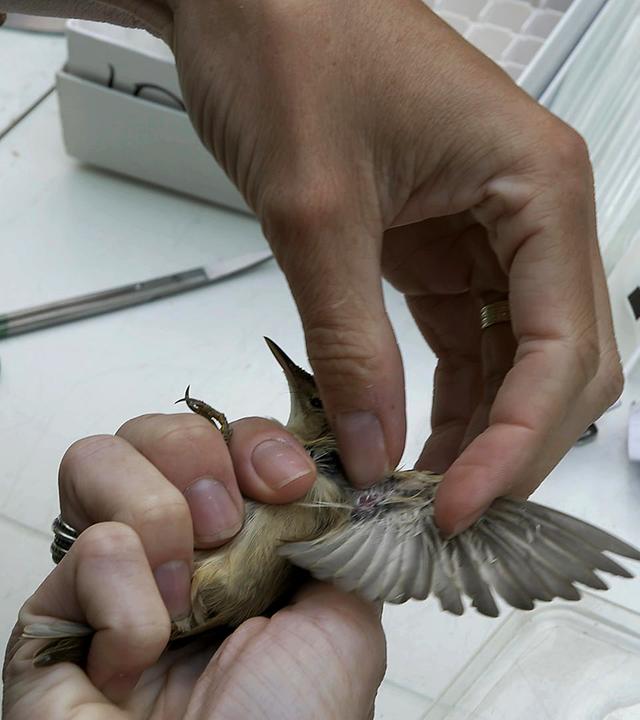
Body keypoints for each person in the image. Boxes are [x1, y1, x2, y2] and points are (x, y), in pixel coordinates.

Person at [2, 0, 623, 716]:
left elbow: (466, 524)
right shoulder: (340, 496)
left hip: (182, 623)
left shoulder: (370, 501)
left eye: (320, 399)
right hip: (184, 637)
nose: (307, 387)